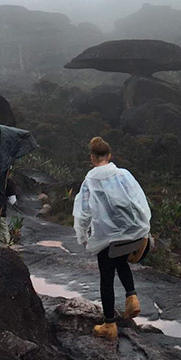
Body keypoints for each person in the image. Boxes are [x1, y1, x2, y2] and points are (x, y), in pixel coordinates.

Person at [73, 136, 152, 339]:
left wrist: (82, 236)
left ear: (92, 157)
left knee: (106, 279)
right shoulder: (123, 175)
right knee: (121, 262)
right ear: (109, 155)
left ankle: (109, 325)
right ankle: (132, 297)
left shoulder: (89, 181)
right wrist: (144, 227)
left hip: (107, 238)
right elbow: (138, 199)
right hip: (131, 233)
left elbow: (83, 213)